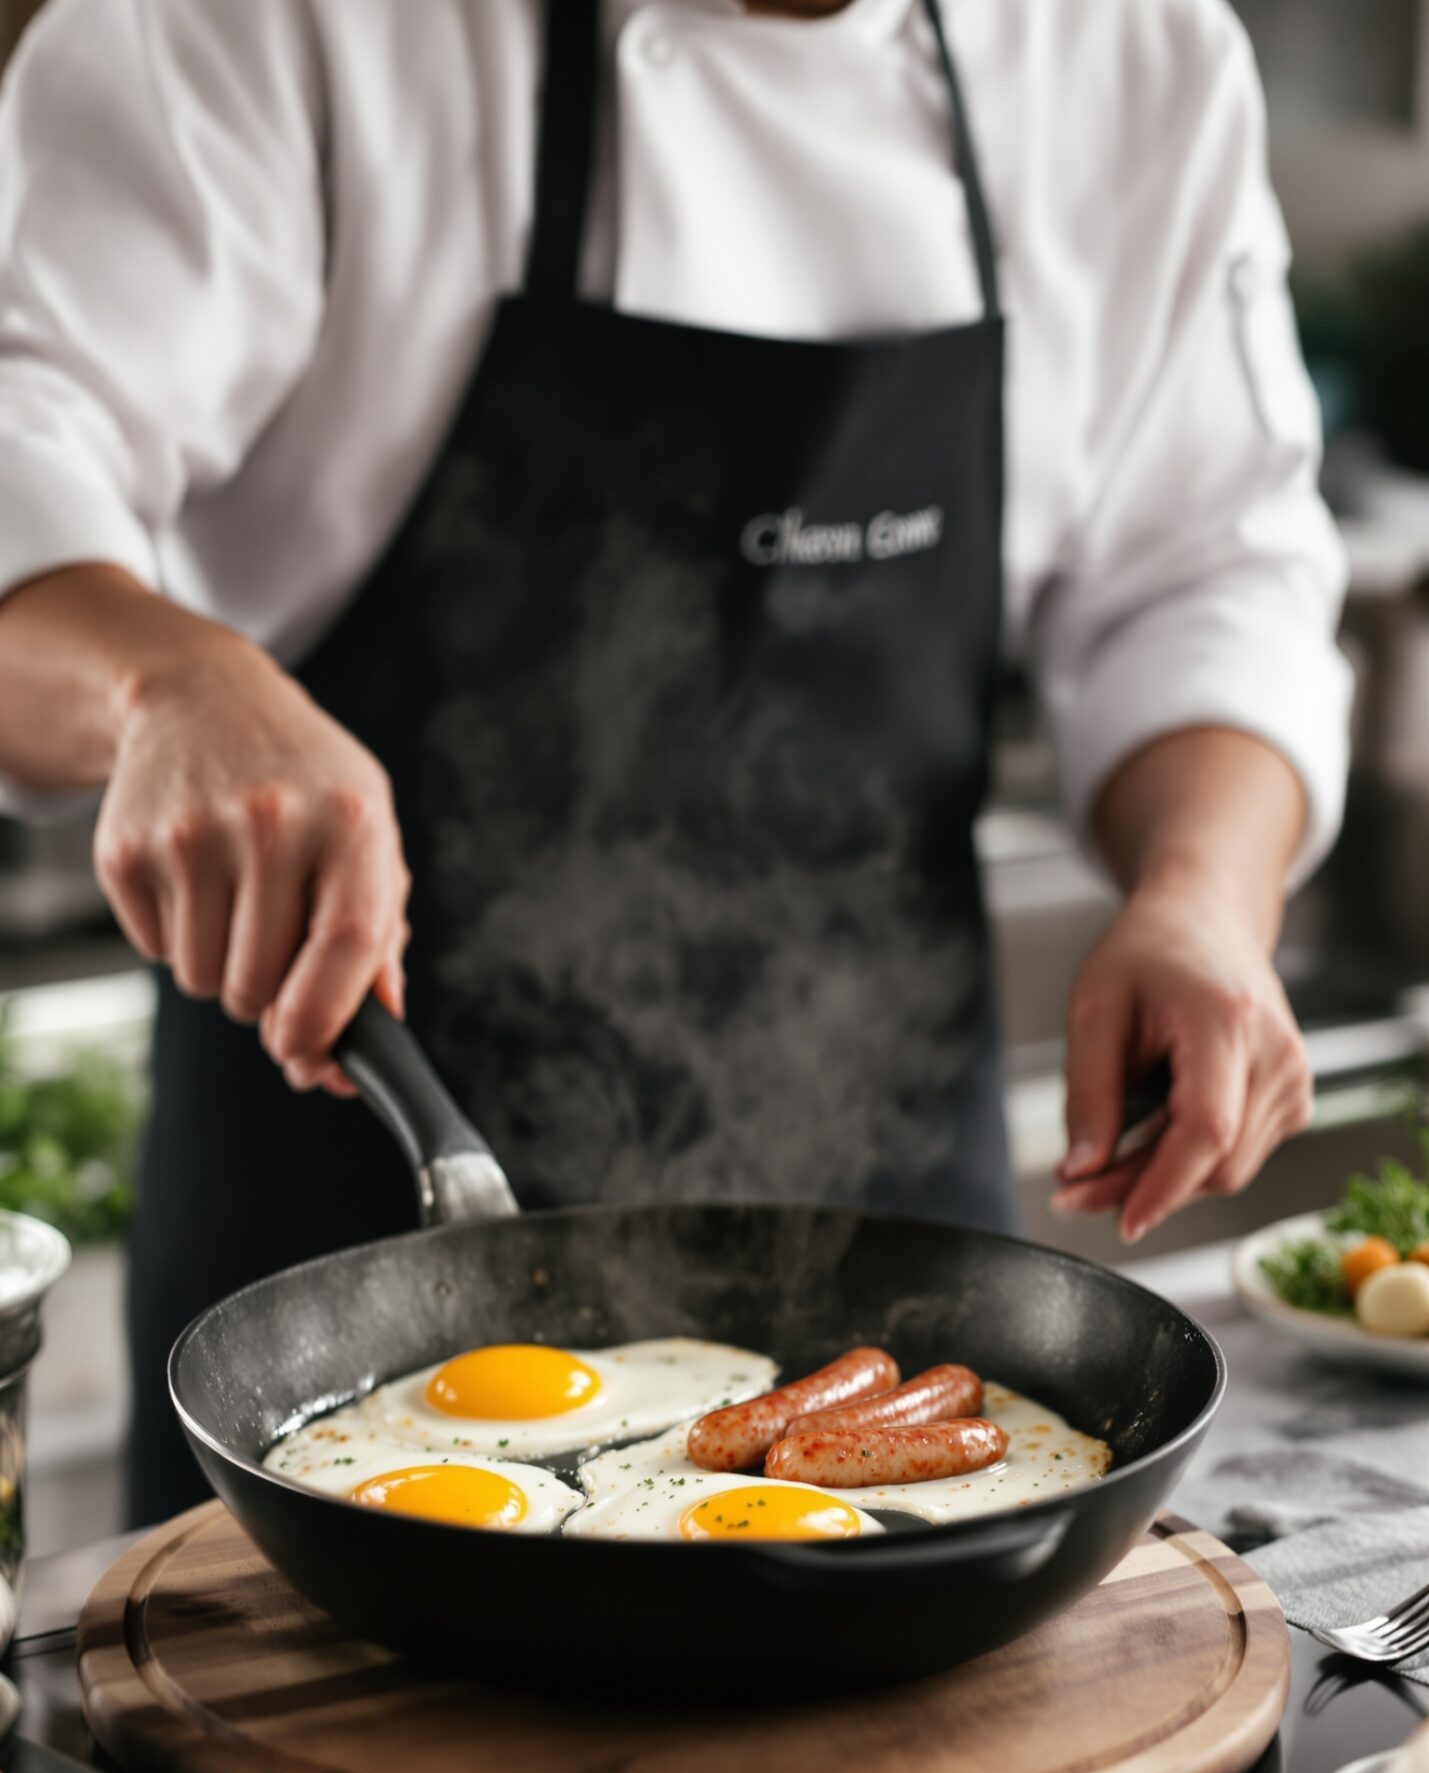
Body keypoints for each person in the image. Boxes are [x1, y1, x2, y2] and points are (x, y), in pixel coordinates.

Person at [0, 0, 1350, 1524]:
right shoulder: (256, 23)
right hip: (344, 1241)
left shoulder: (1128, 48)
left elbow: (1207, 576)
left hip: (902, 1259)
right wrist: (164, 682)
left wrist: (1202, 895)